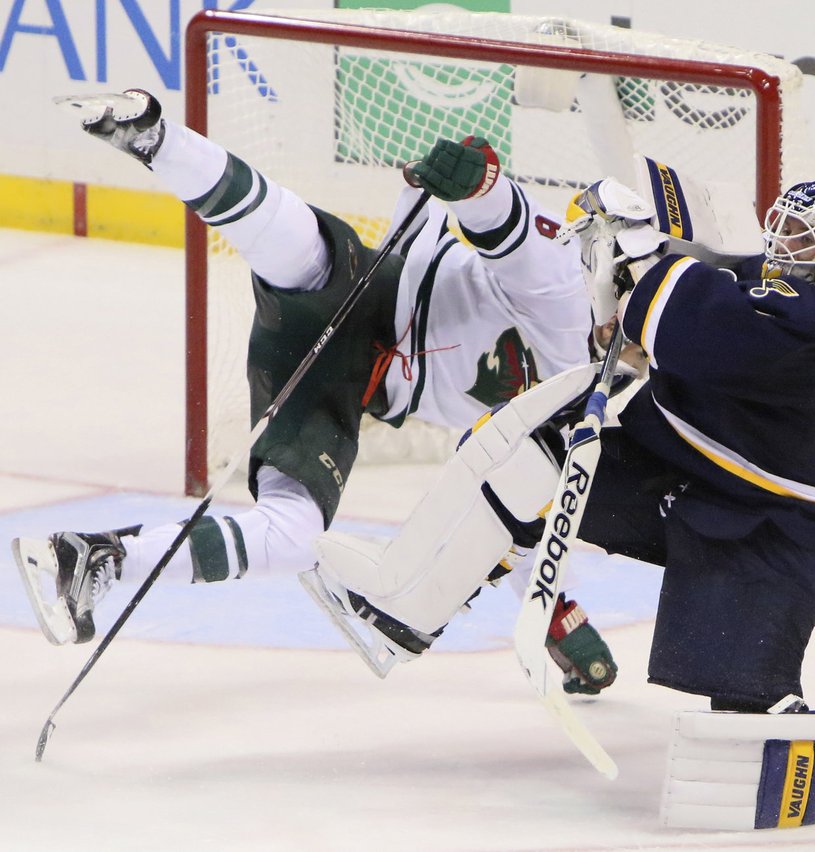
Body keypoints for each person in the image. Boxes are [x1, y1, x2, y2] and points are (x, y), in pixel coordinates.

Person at [13, 88, 617, 695]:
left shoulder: (584, 409)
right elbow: (517, 237)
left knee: (296, 533)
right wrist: (482, 186)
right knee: (305, 251)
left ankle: (97, 559)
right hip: (365, 295)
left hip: (339, 389)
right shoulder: (571, 304)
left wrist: (556, 617)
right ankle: (157, 138)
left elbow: (512, 506)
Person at [306, 168, 815, 714]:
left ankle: (784, 717)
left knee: (748, 702)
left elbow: (703, 322)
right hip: (687, 466)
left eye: (805, 238)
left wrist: (638, 248)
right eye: (781, 227)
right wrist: (628, 302)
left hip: (772, 525)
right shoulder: (781, 292)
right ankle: (406, 613)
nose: (784, 245)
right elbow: (698, 313)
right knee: (527, 459)